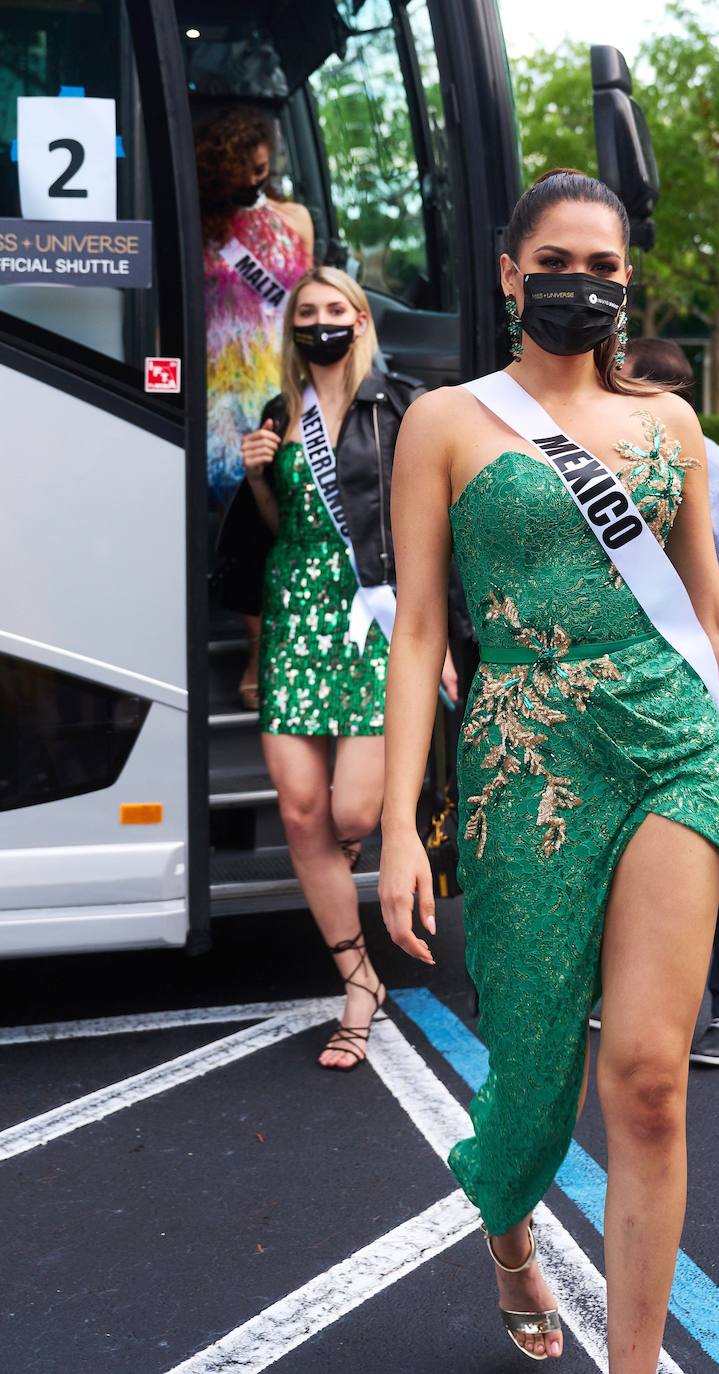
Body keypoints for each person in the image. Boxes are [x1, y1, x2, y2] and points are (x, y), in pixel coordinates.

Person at [378, 168, 719, 1368]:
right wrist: (405, 829)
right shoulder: (447, 423)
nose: (582, 287)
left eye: (604, 269)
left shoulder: (670, 425)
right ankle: (511, 1237)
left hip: (666, 745)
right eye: (557, 266)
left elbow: (714, 625)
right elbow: (420, 632)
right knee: (531, 1071)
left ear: (629, 283)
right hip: (524, 758)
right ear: (512, 275)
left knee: (647, 1080)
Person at [240, 266, 457, 1070]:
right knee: (301, 813)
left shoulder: (396, 409)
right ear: (291, 326)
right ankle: (357, 979)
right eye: (308, 311)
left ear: (362, 320)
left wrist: (439, 642)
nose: (321, 321)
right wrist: (261, 476)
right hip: (295, 613)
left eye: (336, 309)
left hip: (374, 622)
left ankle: (353, 864)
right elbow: (276, 526)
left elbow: (432, 526)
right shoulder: (278, 412)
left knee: (354, 814)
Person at [618, 336, 719, 1067]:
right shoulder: (599, 466)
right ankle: (630, 994)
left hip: (704, 697)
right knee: (629, 842)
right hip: (625, 692)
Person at [197, 106, 314, 708]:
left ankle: (268, 652)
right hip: (219, 388)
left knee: (280, 510)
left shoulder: (294, 220)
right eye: (242, 166)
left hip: (280, 382)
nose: (255, 175)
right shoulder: (201, 227)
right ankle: (255, 649)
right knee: (241, 524)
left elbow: (310, 301)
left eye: (261, 164)